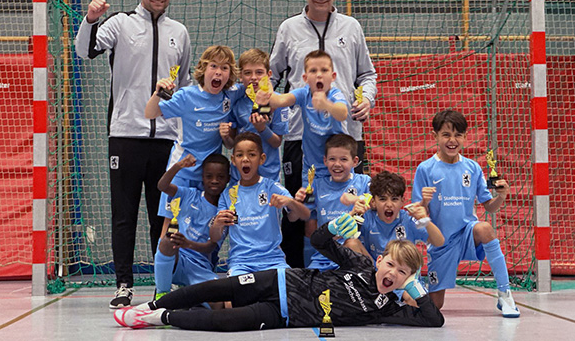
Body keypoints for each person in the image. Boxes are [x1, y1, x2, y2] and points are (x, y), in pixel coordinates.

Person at [74, 0, 192, 308]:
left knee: (163, 216)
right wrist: (91, 19)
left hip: (167, 139)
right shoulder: (120, 24)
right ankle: (123, 284)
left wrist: (182, 135)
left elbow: (183, 88)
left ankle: (163, 286)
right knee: (124, 214)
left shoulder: (179, 32)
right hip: (125, 134)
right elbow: (85, 51)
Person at [113, 217, 444, 331]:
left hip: (283, 314)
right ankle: (152, 305)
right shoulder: (359, 265)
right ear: (380, 259)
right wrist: (331, 228)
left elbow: (433, 320)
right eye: (390, 264)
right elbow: (317, 240)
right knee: (213, 289)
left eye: (402, 273)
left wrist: (417, 291)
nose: (392, 273)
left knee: (226, 323)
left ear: (407, 280)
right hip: (279, 280)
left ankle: (162, 318)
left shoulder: (387, 309)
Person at [270, 0, 377, 268]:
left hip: (346, 138)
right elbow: (273, 76)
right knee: (299, 208)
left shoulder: (351, 27)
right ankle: (296, 277)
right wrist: (264, 103)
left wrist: (366, 99)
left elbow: (367, 74)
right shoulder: (288, 29)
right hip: (299, 140)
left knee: (356, 209)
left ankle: (358, 275)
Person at [411, 109, 520, 318]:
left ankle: (505, 294)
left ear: (465, 137)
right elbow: (419, 214)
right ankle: (421, 283)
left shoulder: (473, 167)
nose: (452, 140)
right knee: (434, 308)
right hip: (441, 242)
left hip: (467, 235)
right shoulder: (425, 169)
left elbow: (488, 206)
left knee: (485, 228)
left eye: (458, 135)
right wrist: (424, 201)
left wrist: (502, 197)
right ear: (435, 136)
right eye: (446, 135)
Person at [145, 45, 244, 231]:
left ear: (230, 74)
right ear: (203, 69)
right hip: (182, 171)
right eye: (213, 66)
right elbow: (149, 113)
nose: (218, 72)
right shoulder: (186, 96)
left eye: (224, 68)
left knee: (202, 227)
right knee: (171, 227)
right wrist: (158, 92)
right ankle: (164, 260)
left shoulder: (231, 95)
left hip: (208, 176)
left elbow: (252, 84)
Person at [209, 132, 310, 276]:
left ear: (261, 159)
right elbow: (215, 237)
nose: (245, 159)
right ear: (233, 160)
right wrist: (217, 224)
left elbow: (304, 214)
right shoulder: (228, 194)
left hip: (273, 261)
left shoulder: (272, 188)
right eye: (239, 155)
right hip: (240, 263)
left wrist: (290, 202)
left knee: (288, 293)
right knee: (236, 297)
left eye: (251, 155)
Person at [341, 170, 444, 306]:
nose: (389, 204)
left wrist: (426, 220)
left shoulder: (407, 219)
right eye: (383, 199)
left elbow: (439, 241)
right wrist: (353, 212)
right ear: (373, 201)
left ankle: (399, 297)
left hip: (402, 279)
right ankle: (370, 291)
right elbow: (337, 236)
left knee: (421, 306)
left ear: (402, 201)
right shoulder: (367, 217)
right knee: (351, 243)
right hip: (377, 276)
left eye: (394, 199)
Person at [257, 49, 347, 183]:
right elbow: (280, 101)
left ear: (333, 76)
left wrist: (327, 105)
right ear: (305, 78)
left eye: (324, 70)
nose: (319, 75)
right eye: (313, 71)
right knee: (308, 202)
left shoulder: (335, 95)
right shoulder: (303, 93)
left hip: (337, 167)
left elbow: (342, 113)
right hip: (312, 168)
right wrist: (266, 94)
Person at [153, 153, 230, 301]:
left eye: (220, 177)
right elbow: (162, 185)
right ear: (202, 177)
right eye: (209, 176)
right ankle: (162, 295)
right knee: (167, 241)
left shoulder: (224, 212)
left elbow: (210, 247)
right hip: (178, 260)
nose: (214, 181)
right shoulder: (189, 195)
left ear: (227, 179)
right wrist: (179, 166)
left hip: (200, 268)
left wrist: (188, 244)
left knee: (219, 303)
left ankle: (189, 297)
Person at [294, 133, 371, 270]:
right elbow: (296, 216)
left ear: (355, 161)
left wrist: (355, 199)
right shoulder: (317, 185)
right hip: (323, 256)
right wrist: (296, 202)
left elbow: (376, 204)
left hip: (352, 252)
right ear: (325, 161)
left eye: (343, 159)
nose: (337, 164)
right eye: (332, 159)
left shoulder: (363, 182)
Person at [221, 48, 289, 183]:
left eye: (259, 72)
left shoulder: (278, 102)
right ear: (240, 76)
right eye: (247, 73)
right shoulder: (237, 102)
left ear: (269, 74)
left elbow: (277, 142)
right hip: (240, 176)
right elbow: (231, 144)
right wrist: (225, 136)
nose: (253, 77)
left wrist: (262, 129)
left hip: (268, 174)